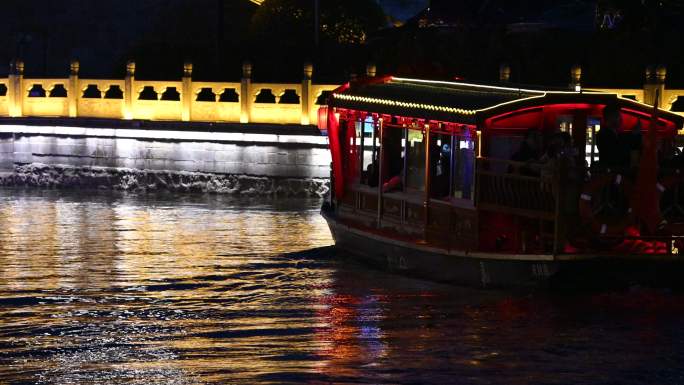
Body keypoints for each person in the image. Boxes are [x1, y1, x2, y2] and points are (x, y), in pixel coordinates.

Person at [597, 103, 641, 170]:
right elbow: (616, 153)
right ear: (610, 117)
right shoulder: (603, 134)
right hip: (611, 174)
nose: (621, 119)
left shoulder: (614, 134)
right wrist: (633, 135)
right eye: (618, 116)